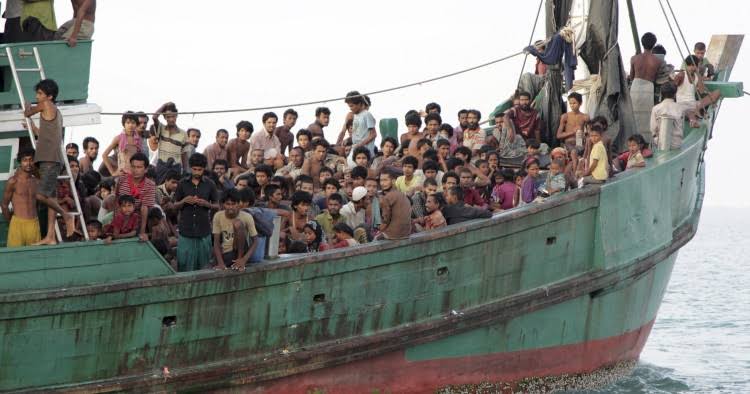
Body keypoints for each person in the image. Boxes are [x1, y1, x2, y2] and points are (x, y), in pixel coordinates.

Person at [24, 79, 76, 243]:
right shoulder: (56, 111)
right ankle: (50, 237)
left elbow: (27, 112)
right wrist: (33, 128)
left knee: (40, 195)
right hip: (52, 158)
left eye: (40, 93)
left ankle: (67, 216)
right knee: (50, 198)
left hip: (49, 159)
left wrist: (26, 106)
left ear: (50, 96)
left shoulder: (45, 105)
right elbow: (46, 135)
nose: (37, 96)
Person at [173, 153, 220, 271]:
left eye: (200, 170)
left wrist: (206, 204)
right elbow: (174, 205)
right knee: (184, 265)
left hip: (203, 232)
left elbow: (217, 206)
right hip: (186, 231)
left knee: (203, 266)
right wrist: (184, 201)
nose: (197, 172)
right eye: (194, 169)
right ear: (190, 168)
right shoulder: (182, 183)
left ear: (204, 169)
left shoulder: (210, 184)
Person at [628, 33, 665, 142]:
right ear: (653, 44)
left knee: (634, 115)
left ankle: (632, 142)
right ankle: (645, 142)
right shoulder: (658, 61)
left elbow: (631, 76)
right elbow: (658, 78)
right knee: (647, 117)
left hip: (635, 87)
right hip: (649, 88)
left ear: (642, 43)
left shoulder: (634, 58)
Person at [1, 149, 41, 247]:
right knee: (14, 258)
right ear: (20, 162)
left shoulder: (36, 181)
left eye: (31, 160)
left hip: (33, 223)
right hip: (17, 223)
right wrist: (10, 222)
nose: (28, 163)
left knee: (34, 257)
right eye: (25, 160)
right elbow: (4, 205)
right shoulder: (13, 181)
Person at [212, 188, 258, 271]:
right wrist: (220, 263)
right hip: (226, 253)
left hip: (240, 252)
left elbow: (255, 242)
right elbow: (216, 242)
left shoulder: (247, 217)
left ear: (238, 204)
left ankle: (239, 260)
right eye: (228, 204)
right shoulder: (218, 216)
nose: (230, 207)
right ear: (223, 204)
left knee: (238, 224)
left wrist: (243, 259)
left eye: (233, 204)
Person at [114, 153, 156, 241]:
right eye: (133, 166)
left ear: (146, 170)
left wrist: (142, 232)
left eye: (139, 167)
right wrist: (116, 222)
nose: (135, 170)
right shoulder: (122, 180)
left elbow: (145, 209)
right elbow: (117, 200)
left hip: (137, 219)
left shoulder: (150, 185)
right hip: (121, 216)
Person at [650, 83, 700, 150]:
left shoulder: (655, 108)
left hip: (660, 144)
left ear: (661, 94)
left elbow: (653, 129)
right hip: (676, 144)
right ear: (674, 95)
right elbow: (689, 117)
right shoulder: (681, 108)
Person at [150, 102, 189, 172]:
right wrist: (164, 105)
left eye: (173, 116)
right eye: (168, 117)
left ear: (176, 115)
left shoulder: (183, 134)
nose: (171, 119)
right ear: (164, 117)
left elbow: (184, 154)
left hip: (175, 168)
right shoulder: (161, 128)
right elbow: (154, 117)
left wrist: (185, 171)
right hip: (162, 167)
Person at [102, 112, 142, 176]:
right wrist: (113, 173)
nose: (130, 125)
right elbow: (104, 155)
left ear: (136, 124)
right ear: (124, 124)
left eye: (133, 123)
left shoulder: (138, 139)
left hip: (135, 174)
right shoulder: (118, 138)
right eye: (128, 123)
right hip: (122, 174)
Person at [378, 171, 411, 240]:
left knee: (375, 238)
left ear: (393, 181)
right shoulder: (401, 194)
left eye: (385, 180)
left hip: (393, 235)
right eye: (381, 180)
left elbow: (385, 221)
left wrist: (380, 229)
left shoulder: (387, 197)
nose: (382, 183)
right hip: (407, 234)